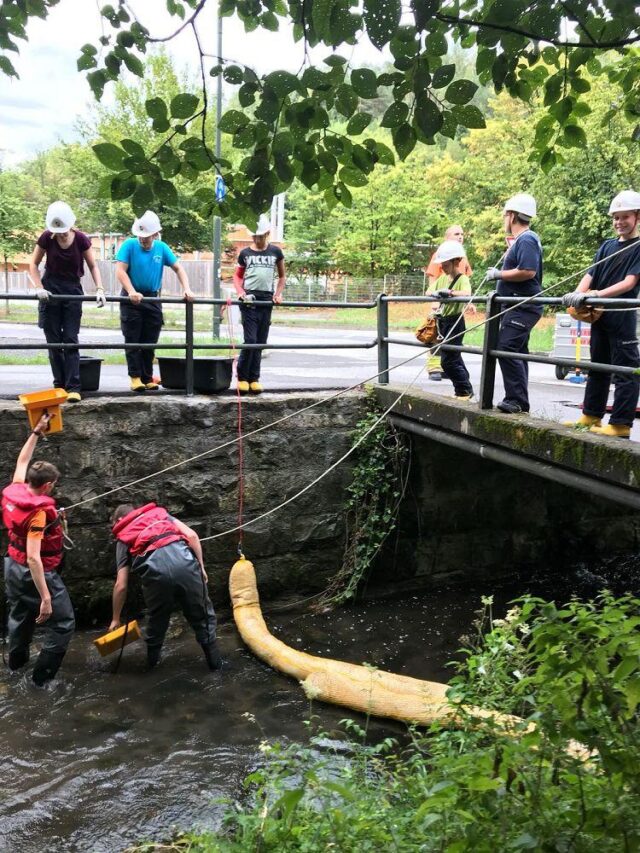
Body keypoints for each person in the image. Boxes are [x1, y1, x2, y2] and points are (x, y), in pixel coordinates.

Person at [1, 414, 75, 685]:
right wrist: (45, 597)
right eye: (52, 485)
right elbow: (34, 557)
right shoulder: (39, 514)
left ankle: (15, 667)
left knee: (20, 615)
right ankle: (40, 681)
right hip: (33, 571)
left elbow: (22, 461)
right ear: (46, 485)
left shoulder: (14, 489)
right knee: (64, 623)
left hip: (11, 564)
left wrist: (36, 432)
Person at [562, 191, 640, 439]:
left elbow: (629, 283)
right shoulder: (607, 246)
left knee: (626, 370)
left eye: (624, 217)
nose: (619, 222)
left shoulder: (638, 248)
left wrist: (596, 295)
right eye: (615, 218)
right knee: (597, 366)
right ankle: (591, 415)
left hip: (622, 315)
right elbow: (590, 275)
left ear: (637, 217)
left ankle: (620, 424)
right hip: (599, 316)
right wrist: (577, 295)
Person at [109, 502, 222, 670]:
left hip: (157, 577)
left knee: (157, 621)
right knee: (202, 616)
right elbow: (191, 536)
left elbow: (121, 585)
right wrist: (201, 568)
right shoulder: (160, 515)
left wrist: (116, 618)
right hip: (186, 567)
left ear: (119, 519)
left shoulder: (123, 536)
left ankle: (152, 667)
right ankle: (216, 668)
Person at [29, 201, 105, 403]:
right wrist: (39, 288)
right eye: (58, 231)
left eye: (64, 231)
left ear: (71, 225)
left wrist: (99, 289)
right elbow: (33, 265)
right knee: (53, 341)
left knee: (70, 339)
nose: (61, 235)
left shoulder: (80, 239)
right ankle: (59, 385)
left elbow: (93, 266)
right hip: (50, 289)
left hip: (72, 290)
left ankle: (73, 387)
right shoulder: (46, 237)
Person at [115, 210, 195, 393]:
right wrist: (131, 291)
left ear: (155, 234)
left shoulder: (161, 247)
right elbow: (120, 270)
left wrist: (187, 288)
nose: (143, 240)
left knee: (150, 340)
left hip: (152, 297)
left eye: (147, 237)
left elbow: (178, 268)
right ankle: (135, 377)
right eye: (140, 236)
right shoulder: (128, 246)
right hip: (132, 297)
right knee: (133, 339)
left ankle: (147, 376)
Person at [485, 193, 543, 414]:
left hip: (524, 306)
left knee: (506, 347)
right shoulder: (521, 241)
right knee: (517, 350)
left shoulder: (527, 239)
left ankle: (517, 400)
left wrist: (499, 275)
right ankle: (520, 401)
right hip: (515, 305)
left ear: (511, 216)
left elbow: (528, 272)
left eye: (504, 216)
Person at [233, 214, 285, 394]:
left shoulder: (275, 252)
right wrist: (240, 292)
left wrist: (278, 295)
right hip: (249, 300)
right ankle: (242, 377)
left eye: (260, 236)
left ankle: (254, 378)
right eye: (254, 236)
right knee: (251, 340)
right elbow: (237, 275)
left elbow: (282, 276)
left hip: (266, 300)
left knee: (261, 341)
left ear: (267, 234)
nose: (257, 239)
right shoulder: (245, 253)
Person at [424, 224, 473, 382]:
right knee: (436, 339)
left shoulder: (462, 257)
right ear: (447, 237)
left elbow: (466, 284)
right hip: (442, 309)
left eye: (462, 233)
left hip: (455, 311)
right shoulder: (441, 255)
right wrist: (435, 301)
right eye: (456, 234)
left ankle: (461, 381)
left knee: (451, 351)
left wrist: (466, 301)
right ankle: (434, 368)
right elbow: (433, 279)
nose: (460, 236)